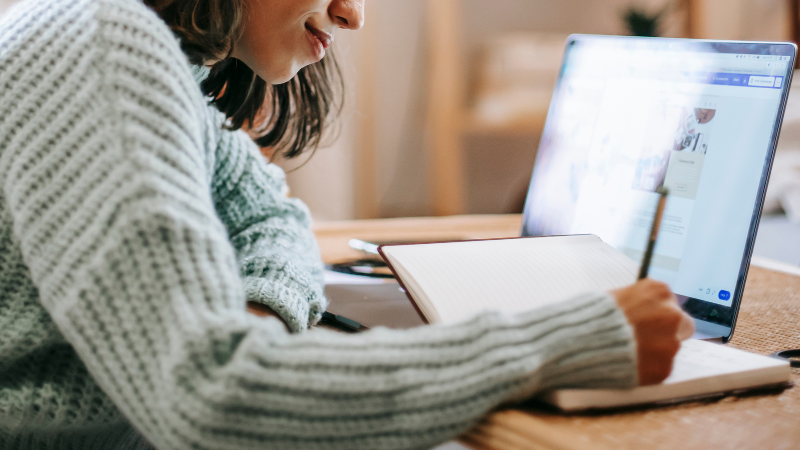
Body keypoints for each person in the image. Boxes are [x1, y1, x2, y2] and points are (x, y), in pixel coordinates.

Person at [0, 0, 695, 449]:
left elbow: (272, 217)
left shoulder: (151, 65)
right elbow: (213, 398)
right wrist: (565, 339)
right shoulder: (99, 39)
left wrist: (259, 319)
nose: (352, 14)